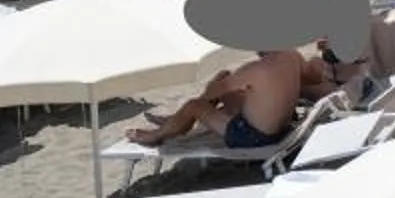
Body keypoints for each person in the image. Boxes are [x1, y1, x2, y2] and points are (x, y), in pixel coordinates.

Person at [124, 45, 305, 149]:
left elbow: (212, 92)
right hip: (282, 127)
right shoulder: (292, 55)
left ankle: (156, 135)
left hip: (254, 137)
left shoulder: (255, 69)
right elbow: (312, 77)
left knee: (194, 105)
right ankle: (176, 121)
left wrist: (214, 85)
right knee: (224, 78)